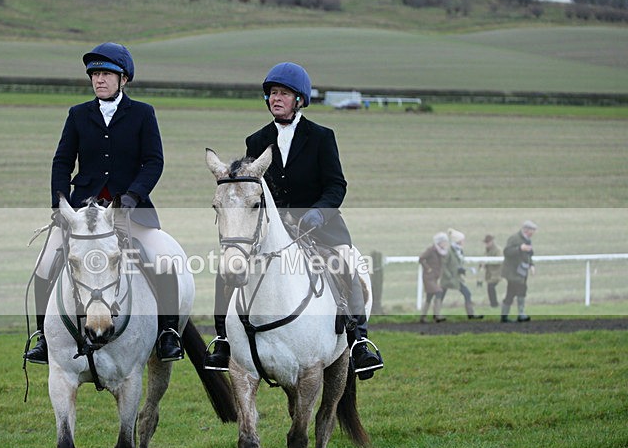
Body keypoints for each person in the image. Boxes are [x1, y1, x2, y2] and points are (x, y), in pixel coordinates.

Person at [203, 62, 383, 380]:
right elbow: (252, 188)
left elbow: (336, 185)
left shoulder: (322, 137)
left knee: (345, 261)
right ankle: (223, 341)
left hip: (319, 223)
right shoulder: (256, 140)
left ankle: (359, 341)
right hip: (272, 227)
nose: (276, 98)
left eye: (283, 93)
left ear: (299, 100)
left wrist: (318, 212)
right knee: (227, 268)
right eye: (273, 93)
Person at [24, 42, 183, 365]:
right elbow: (62, 161)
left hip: (130, 209)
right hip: (82, 211)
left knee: (163, 258)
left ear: (124, 79)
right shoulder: (78, 114)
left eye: (107, 74)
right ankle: (43, 337)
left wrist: (132, 196)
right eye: (95, 74)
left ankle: (167, 332)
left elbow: (154, 161)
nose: (99, 79)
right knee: (45, 263)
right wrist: (60, 206)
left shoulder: (143, 113)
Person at [440, 228, 484, 320]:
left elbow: (457, 264)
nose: (464, 242)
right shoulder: (449, 251)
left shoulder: (459, 251)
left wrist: (462, 270)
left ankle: (471, 314)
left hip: (457, 278)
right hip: (448, 278)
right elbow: (443, 265)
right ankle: (436, 315)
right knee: (440, 296)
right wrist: (448, 275)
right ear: (458, 241)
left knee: (467, 294)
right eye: (462, 240)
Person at [501, 221, 537, 323]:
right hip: (512, 272)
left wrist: (531, 265)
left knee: (516, 291)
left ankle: (511, 316)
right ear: (526, 229)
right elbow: (507, 252)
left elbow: (528, 255)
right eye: (532, 230)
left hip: (521, 272)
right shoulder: (514, 238)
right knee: (516, 291)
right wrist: (519, 249)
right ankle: (517, 315)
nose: (533, 233)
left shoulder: (527, 240)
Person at [419, 232, 449, 323]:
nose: (445, 243)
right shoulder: (431, 250)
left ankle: (423, 317)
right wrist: (428, 268)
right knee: (439, 292)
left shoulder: (442, 252)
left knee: (429, 296)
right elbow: (421, 258)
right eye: (444, 242)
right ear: (439, 242)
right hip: (428, 277)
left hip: (434, 278)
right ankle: (437, 315)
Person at [479, 234, 503, 307]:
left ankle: (494, 304)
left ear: (492, 241)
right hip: (489, 273)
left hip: (496, 273)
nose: (487, 244)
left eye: (488, 242)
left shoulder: (498, 250)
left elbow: (499, 261)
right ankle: (493, 304)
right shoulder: (487, 250)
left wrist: (487, 262)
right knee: (490, 288)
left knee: (491, 287)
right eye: (486, 242)